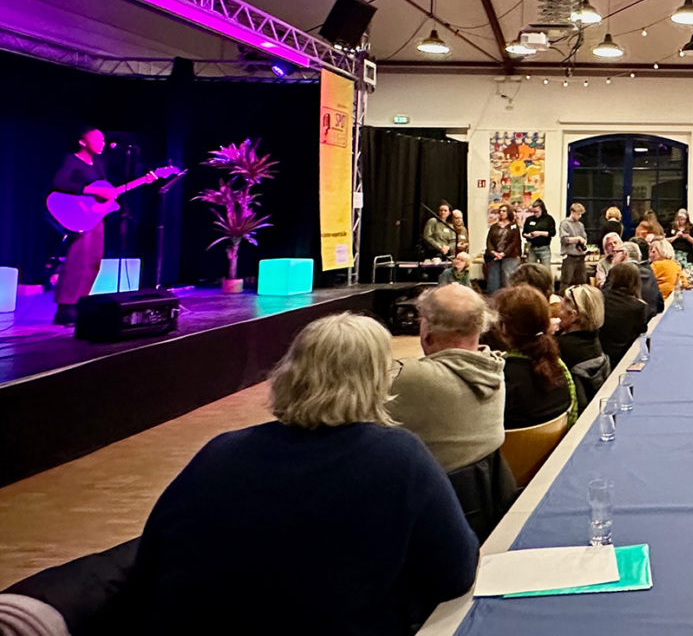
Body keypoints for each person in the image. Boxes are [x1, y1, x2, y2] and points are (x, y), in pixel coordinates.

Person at [130, 313, 479, 633]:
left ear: (290, 373)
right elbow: (456, 573)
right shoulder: (401, 457)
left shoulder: (218, 452)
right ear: (376, 382)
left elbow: (149, 567)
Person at [388, 285, 504, 472]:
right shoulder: (495, 369)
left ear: (427, 332)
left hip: (421, 494)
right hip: (484, 492)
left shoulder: (409, 377)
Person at [51, 127, 151, 325]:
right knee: (77, 261)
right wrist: (88, 189)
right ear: (82, 142)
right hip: (78, 216)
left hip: (95, 216)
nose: (102, 144)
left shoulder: (98, 163)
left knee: (94, 261)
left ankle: (81, 302)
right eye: (96, 140)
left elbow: (106, 191)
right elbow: (60, 182)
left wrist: (145, 180)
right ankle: (65, 307)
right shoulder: (72, 160)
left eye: (102, 140)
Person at [493, 285, 576, 429]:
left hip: (512, 450)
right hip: (559, 446)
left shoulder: (499, 377)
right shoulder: (559, 368)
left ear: (503, 327)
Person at [600, 263, 648, 368]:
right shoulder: (638, 307)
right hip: (622, 356)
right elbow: (642, 330)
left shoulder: (600, 298)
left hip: (600, 354)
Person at [622, 241, 663, 320]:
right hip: (652, 317)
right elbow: (660, 304)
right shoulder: (649, 272)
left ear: (624, 254)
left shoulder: (619, 273)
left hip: (632, 322)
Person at [486, 204, 521, 294]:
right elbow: (489, 241)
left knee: (507, 278)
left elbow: (514, 242)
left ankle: (508, 299)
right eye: (500, 211)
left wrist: (503, 253)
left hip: (509, 256)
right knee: (493, 280)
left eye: (504, 211)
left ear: (509, 212)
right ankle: (493, 300)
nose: (501, 213)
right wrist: (493, 252)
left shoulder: (514, 226)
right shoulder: (494, 226)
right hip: (494, 256)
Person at [560, 203, 588, 290]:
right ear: (572, 212)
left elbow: (584, 238)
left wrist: (583, 242)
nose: (579, 216)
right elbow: (564, 239)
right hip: (569, 256)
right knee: (566, 280)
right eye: (578, 214)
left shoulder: (580, 225)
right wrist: (577, 239)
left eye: (581, 214)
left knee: (582, 280)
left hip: (580, 255)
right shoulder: (565, 224)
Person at [522, 199, 556, 269]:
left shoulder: (548, 219)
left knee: (545, 269)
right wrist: (528, 236)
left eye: (537, 212)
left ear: (542, 210)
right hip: (532, 247)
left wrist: (540, 233)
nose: (535, 214)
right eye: (533, 212)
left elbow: (552, 233)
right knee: (530, 269)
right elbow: (524, 233)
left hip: (544, 248)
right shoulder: (529, 219)